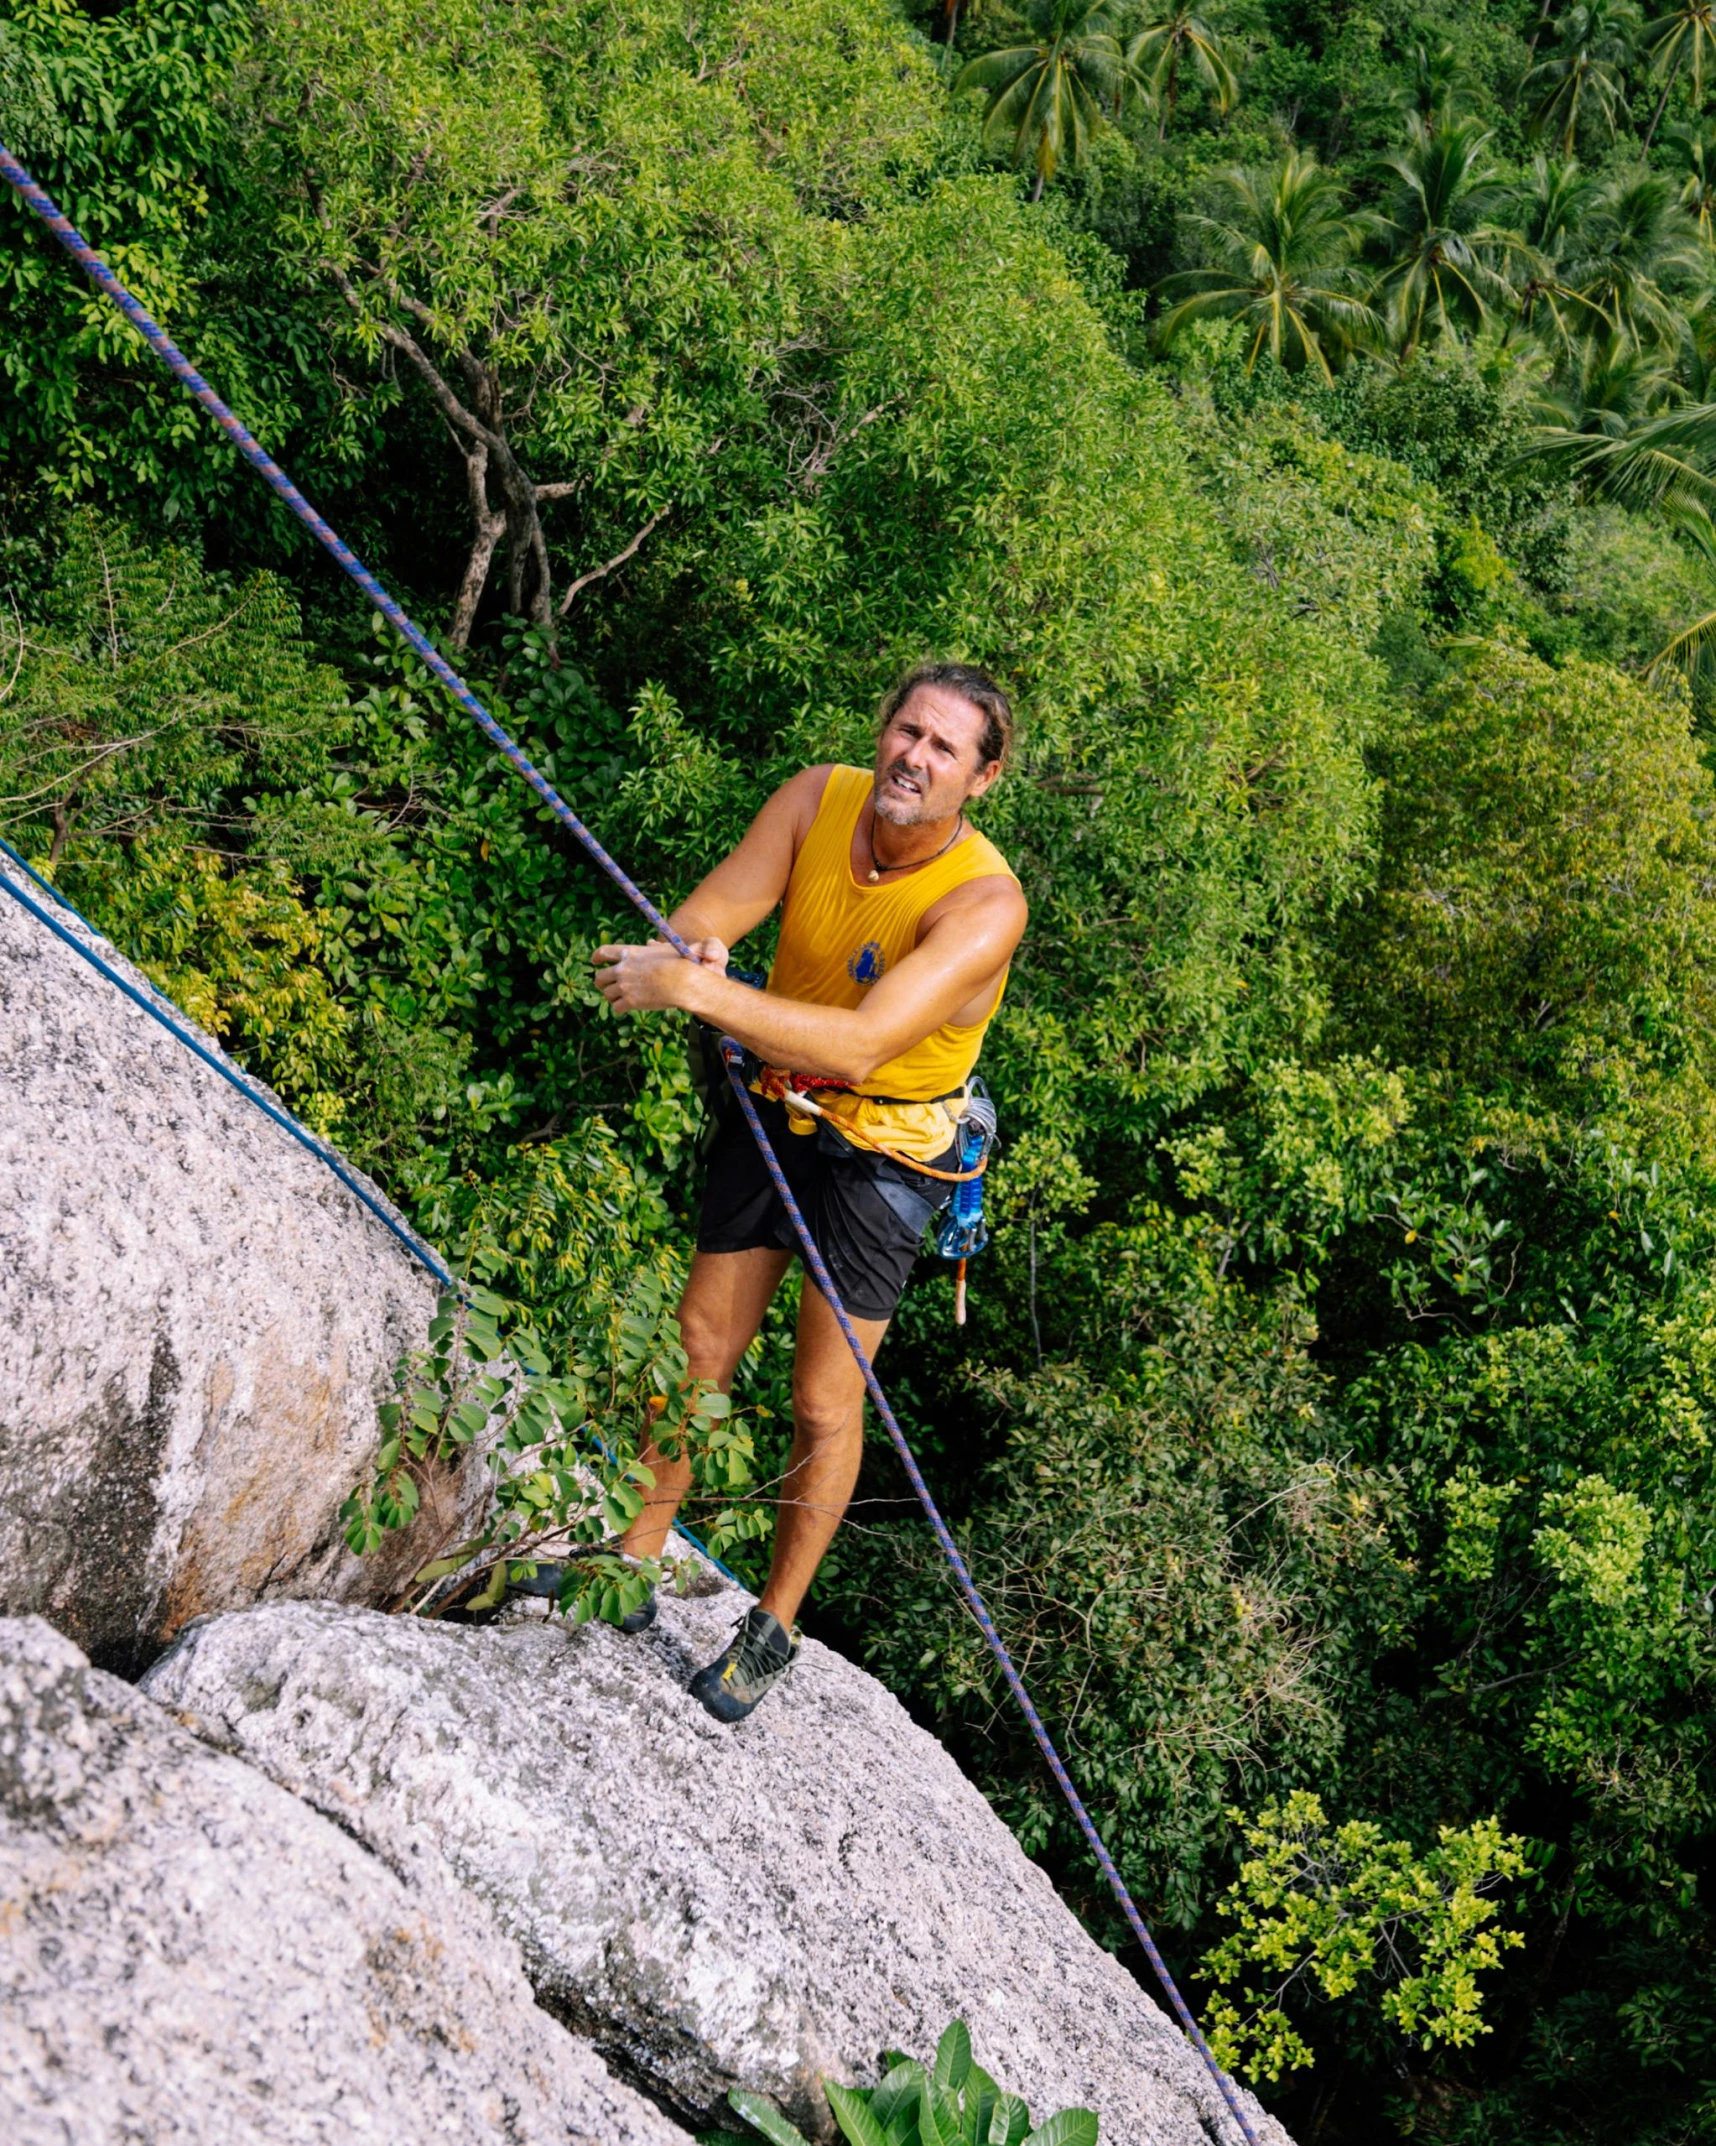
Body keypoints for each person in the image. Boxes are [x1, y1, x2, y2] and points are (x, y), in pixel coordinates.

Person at [588, 661, 1027, 1721]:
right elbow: (711, 910)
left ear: (983, 777)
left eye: (942, 748)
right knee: (702, 1345)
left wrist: (698, 987)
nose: (912, 757)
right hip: (779, 1100)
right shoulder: (816, 799)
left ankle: (774, 1625)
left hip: (886, 1149)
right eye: (906, 731)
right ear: (882, 732)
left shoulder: (983, 905)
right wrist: (703, 946)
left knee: (823, 1398)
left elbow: (870, 1045)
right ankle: (631, 1562)